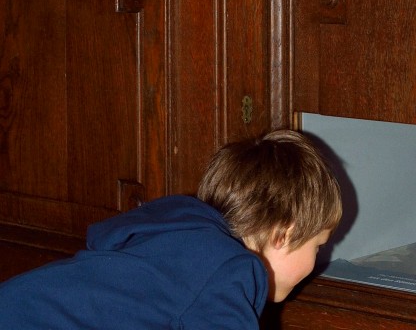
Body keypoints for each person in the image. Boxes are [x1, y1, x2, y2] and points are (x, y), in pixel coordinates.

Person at [0, 129, 342, 329]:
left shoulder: (179, 233)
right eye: (317, 245)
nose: (317, 260)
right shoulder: (231, 268)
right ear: (283, 233)